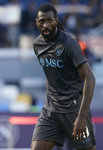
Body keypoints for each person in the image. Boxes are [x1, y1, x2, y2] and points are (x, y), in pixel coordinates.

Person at [31, 4, 96, 150]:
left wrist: (81, 116)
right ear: (37, 22)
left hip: (74, 109)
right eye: (42, 21)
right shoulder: (37, 44)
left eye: (49, 20)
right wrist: (51, 99)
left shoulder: (69, 44)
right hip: (51, 110)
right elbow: (51, 74)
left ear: (56, 20)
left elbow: (90, 78)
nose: (46, 25)